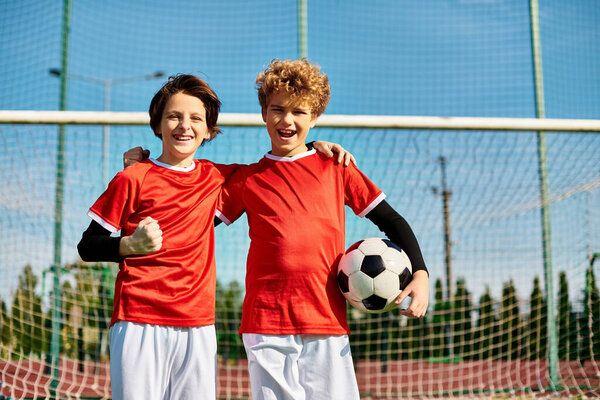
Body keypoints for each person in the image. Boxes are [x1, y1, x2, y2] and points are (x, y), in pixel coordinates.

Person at [78, 73, 354, 400]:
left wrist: (312, 145)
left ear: (209, 130)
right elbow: (88, 245)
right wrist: (128, 245)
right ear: (157, 124)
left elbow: (277, 165)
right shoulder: (133, 177)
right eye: (173, 116)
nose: (184, 125)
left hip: (198, 323)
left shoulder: (217, 177)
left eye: (196, 118)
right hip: (139, 318)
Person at [214, 59, 429, 400]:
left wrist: (421, 273)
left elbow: (392, 221)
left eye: (299, 112)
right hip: (265, 324)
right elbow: (193, 214)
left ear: (314, 118)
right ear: (263, 113)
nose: (287, 120)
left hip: (326, 319)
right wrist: (150, 167)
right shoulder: (247, 179)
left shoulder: (336, 167)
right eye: (278, 109)